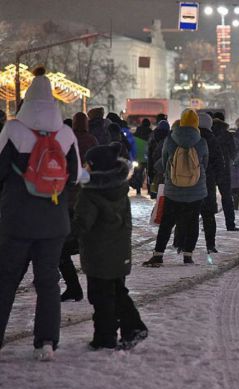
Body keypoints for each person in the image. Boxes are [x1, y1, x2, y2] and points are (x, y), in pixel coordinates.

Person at [0, 66, 81, 361]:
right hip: (54, 222)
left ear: (26, 100)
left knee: (6, 278)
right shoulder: (66, 134)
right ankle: (46, 342)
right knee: (47, 281)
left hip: (17, 220)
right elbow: (74, 177)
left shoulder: (13, 130)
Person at [73, 143, 147, 350]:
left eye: (88, 164)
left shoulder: (90, 194)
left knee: (101, 296)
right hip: (119, 249)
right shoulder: (119, 189)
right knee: (117, 291)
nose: (85, 167)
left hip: (99, 253)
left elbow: (83, 224)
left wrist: (64, 232)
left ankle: (105, 338)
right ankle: (132, 327)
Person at [143, 109, 208, 266]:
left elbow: (165, 163)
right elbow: (204, 165)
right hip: (196, 191)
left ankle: (158, 255)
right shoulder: (201, 141)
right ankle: (188, 255)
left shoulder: (170, 140)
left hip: (174, 190)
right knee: (192, 222)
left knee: (167, 223)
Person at [59, 112, 99, 302]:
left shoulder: (67, 140)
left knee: (62, 248)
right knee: (89, 245)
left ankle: (73, 286)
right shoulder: (92, 141)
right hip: (87, 199)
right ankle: (95, 287)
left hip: (68, 199)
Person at [177, 113, 224, 254]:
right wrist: (217, 178)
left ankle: (183, 245)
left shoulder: (188, 138)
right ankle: (210, 244)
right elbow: (218, 162)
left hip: (187, 181)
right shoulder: (212, 139)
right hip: (206, 181)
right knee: (208, 215)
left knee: (188, 215)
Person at [212, 112, 238, 231]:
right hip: (224, 169)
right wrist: (230, 160)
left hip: (210, 170)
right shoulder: (227, 135)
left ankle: (209, 222)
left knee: (209, 198)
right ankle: (230, 224)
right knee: (227, 197)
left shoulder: (208, 133)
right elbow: (234, 152)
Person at [147, 120, 171, 197]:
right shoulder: (170, 139)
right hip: (166, 169)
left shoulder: (153, 138)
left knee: (156, 190)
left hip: (155, 169)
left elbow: (150, 156)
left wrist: (150, 171)